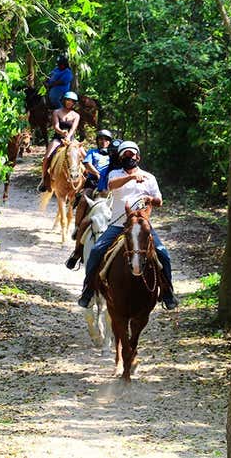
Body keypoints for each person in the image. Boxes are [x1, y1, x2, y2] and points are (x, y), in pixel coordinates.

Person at [77, 141, 178, 310]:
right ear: (120, 157)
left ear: (138, 156)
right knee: (96, 251)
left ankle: (167, 292)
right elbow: (111, 186)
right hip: (118, 224)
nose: (129, 158)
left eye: (132, 155)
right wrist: (131, 177)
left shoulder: (149, 177)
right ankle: (88, 290)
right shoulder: (115, 174)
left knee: (162, 253)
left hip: (142, 225)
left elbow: (159, 200)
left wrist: (150, 199)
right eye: (125, 155)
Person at [65, 130, 113, 269]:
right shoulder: (92, 152)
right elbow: (87, 164)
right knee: (84, 200)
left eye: (106, 139)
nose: (103, 142)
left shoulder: (113, 154)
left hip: (109, 186)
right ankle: (78, 229)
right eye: (101, 139)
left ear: (109, 141)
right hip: (93, 183)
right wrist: (97, 174)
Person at [38, 91, 80, 192]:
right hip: (58, 138)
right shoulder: (56, 112)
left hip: (71, 139)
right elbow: (56, 126)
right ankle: (44, 179)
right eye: (68, 100)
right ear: (64, 101)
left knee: (84, 155)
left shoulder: (76, 115)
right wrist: (62, 132)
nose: (69, 102)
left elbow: (73, 129)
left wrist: (68, 137)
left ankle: (84, 180)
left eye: (72, 101)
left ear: (74, 103)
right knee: (47, 157)